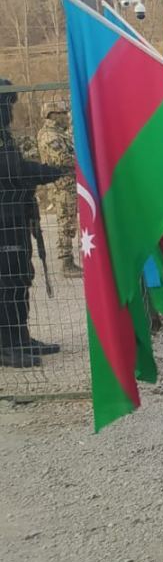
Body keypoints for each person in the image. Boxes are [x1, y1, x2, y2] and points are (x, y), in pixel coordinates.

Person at [0, 80, 67, 368]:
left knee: (21, 277)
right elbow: (14, 170)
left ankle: (20, 336)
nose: (11, 111)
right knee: (7, 284)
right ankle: (7, 345)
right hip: (4, 224)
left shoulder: (5, 136)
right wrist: (54, 171)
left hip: (15, 218)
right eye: (8, 104)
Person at [35, 102, 80, 277]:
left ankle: (69, 261)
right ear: (53, 115)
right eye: (63, 113)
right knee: (65, 222)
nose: (66, 117)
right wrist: (82, 159)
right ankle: (66, 263)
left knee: (69, 221)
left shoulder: (60, 134)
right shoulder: (49, 135)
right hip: (61, 186)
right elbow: (62, 158)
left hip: (68, 184)